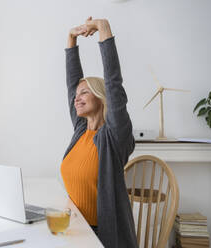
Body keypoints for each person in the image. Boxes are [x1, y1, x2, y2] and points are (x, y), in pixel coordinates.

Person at [60, 17, 138, 248]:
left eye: (85, 92)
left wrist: (104, 29)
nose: (77, 98)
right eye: (77, 95)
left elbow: (113, 82)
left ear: (101, 97)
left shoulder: (114, 137)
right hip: (75, 228)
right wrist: (71, 38)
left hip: (102, 236)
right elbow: (71, 83)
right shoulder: (81, 130)